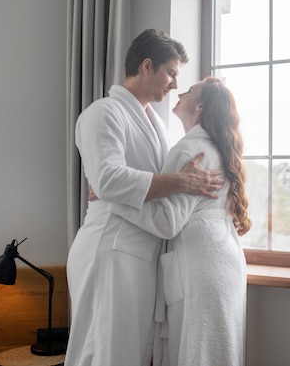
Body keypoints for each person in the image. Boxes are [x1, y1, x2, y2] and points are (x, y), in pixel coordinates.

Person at [66, 30, 224, 366]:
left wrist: (170, 184)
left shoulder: (157, 126)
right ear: (147, 65)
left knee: (127, 356)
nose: (173, 85)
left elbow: (116, 186)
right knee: (101, 352)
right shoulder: (104, 113)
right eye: (171, 73)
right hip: (108, 249)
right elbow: (108, 179)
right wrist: (180, 181)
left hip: (140, 254)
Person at [111, 76, 251, 366]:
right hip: (225, 263)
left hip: (200, 270)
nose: (180, 92)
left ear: (199, 106)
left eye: (189, 91)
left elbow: (166, 222)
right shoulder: (217, 149)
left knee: (196, 354)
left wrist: (115, 199)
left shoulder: (191, 150)